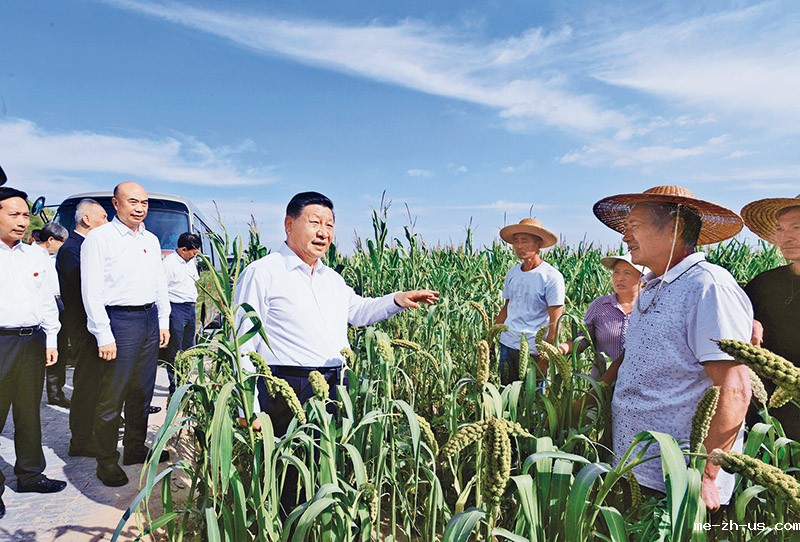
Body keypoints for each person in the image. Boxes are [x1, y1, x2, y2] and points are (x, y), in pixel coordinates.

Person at [593, 185, 752, 512]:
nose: (625, 238)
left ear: (676, 227)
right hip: (635, 464)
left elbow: (734, 389)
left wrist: (706, 475)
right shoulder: (653, 285)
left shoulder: (708, 286)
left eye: (634, 226)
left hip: (679, 476)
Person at [235, 191, 439, 436]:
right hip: (287, 389)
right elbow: (243, 343)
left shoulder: (332, 279)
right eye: (315, 223)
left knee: (324, 466)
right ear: (289, 225)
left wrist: (397, 299)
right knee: (288, 470)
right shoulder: (263, 272)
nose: (323, 232)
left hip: (334, 386)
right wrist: (247, 407)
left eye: (329, 225)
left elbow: (359, 312)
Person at [81, 181, 170, 487]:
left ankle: (134, 448)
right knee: (111, 395)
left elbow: (159, 283)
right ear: (116, 204)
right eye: (132, 201)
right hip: (119, 321)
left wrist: (163, 320)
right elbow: (90, 291)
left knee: (142, 391)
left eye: (144, 202)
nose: (139, 208)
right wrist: (103, 333)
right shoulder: (99, 239)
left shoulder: (151, 239)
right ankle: (106, 461)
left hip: (148, 319)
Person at [0, 187, 67, 521]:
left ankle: (29, 475)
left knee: (29, 411)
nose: (21, 221)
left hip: (32, 341)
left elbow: (46, 302)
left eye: (25, 215)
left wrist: (51, 339)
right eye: (13, 214)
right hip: (1, 342)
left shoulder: (36, 256)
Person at [741, 194, 800, 439]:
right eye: (780, 229)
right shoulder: (763, 284)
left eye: (797, 227)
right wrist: (746, 323)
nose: (786, 236)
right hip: (768, 417)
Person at [56, 198, 108, 457]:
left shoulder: (87, 246)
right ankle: (80, 441)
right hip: (83, 329)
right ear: (87, 219)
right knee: (86, 385)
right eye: (103, 217)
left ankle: (92, 433)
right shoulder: (72, 249)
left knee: (98, 383)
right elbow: (85, 289)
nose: (106, 223)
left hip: (92, 327)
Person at [494, 218, 565, 384]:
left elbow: (555, 322)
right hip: (508, 344)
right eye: (516, 241)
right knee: (506, 396)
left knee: (533, 402)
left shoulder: (551, 276)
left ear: (538, 243)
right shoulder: (512, 273)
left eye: (524, 241)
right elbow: (507, 308)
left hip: (534, 349)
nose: (519, 246)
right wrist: (491, 337)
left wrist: (546, 356)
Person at [558, 253, 648, 379]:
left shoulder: (651, 307)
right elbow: (583, 339)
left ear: (642, 278)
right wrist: (559, 349)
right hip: (602, 386)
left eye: (627, 273)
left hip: (639, 384)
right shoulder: (600, 305)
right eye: (616, 272)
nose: (619, 278)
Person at [32, 221, 70, 407]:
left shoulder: (54, 257)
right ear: (50, 240)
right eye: (62, 242)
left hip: (58, 304)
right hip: (37, 308)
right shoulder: (30, 256)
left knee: (58, 349)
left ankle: (55, 393)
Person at [161, 232, 201, 395]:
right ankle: (175, 386)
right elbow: (161, 290)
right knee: (175, 351)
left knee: (188, 348)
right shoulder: (169, 264)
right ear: (184, 249)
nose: (195, 255)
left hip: (190, 308)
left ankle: (184, 381)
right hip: (175, 309)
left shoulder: (190, 262)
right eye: (193, 252)